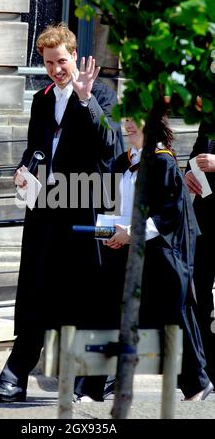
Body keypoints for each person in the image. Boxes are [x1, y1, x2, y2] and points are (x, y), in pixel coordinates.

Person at [0, 23, 124, 403]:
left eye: (60, 61)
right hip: (45, 209)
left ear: (74, 56)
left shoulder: (102, 93)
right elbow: (35, 147)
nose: (55, 70)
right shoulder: (42, 99)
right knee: (35, 290)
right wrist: (23, 169)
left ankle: (85, 382)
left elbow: (111, 145)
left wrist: (84, 100)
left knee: (84, 294)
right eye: (48, 63)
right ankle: (14, 377)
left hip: (86, 205)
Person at [93, 116, 213, 401]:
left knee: (173, 319)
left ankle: (196, 383)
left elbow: (168, 215)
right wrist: (106, 232)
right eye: (125, 119)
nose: (128, 125)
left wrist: (131, 233)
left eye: (135, 119)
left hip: (161, 255)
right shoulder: (122, 163)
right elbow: (112, 206)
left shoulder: (163, 162)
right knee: (109, 312)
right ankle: (91, 387)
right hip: (126, 253)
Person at [184, 118, 215, 388]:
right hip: (206, 216)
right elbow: (197, 151)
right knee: (200, 291)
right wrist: (190, 172)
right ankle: (207, 368)